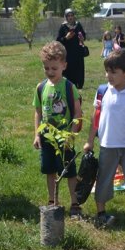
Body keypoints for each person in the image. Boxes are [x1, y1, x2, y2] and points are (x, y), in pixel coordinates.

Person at [83, 49, 125, 230]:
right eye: (107, 71)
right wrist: (90, 140)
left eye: (113, 72)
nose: (108, 75)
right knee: (103, 178)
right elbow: (95, 119)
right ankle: (101, 213)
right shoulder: (102, 92)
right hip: (107, 145)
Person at [33, 41, 83, 214]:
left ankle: (75, 203)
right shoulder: (40, 88)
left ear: (64, 65)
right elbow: (38, 113)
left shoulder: (69, 87)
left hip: (64, 136)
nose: (50, 72)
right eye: (46, 68)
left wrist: (72, 135)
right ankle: (53, 200)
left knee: (68, 171)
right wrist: (37, 135)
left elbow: (77, 114)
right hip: (47, 136)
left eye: (54, 68)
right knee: (50, 170)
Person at [56, 8, 87, 89]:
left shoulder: (78, 25)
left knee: (79, 68)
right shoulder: (63, 27)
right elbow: (58, 41)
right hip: (68, 53)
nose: (70, 17)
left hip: (78, 52)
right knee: (69, 69)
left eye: (72, 15)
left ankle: (79, 85)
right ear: (66, 17)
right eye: (68, 16)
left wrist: (82, 38)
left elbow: (83, 35)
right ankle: (69, 84)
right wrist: (66, 38)